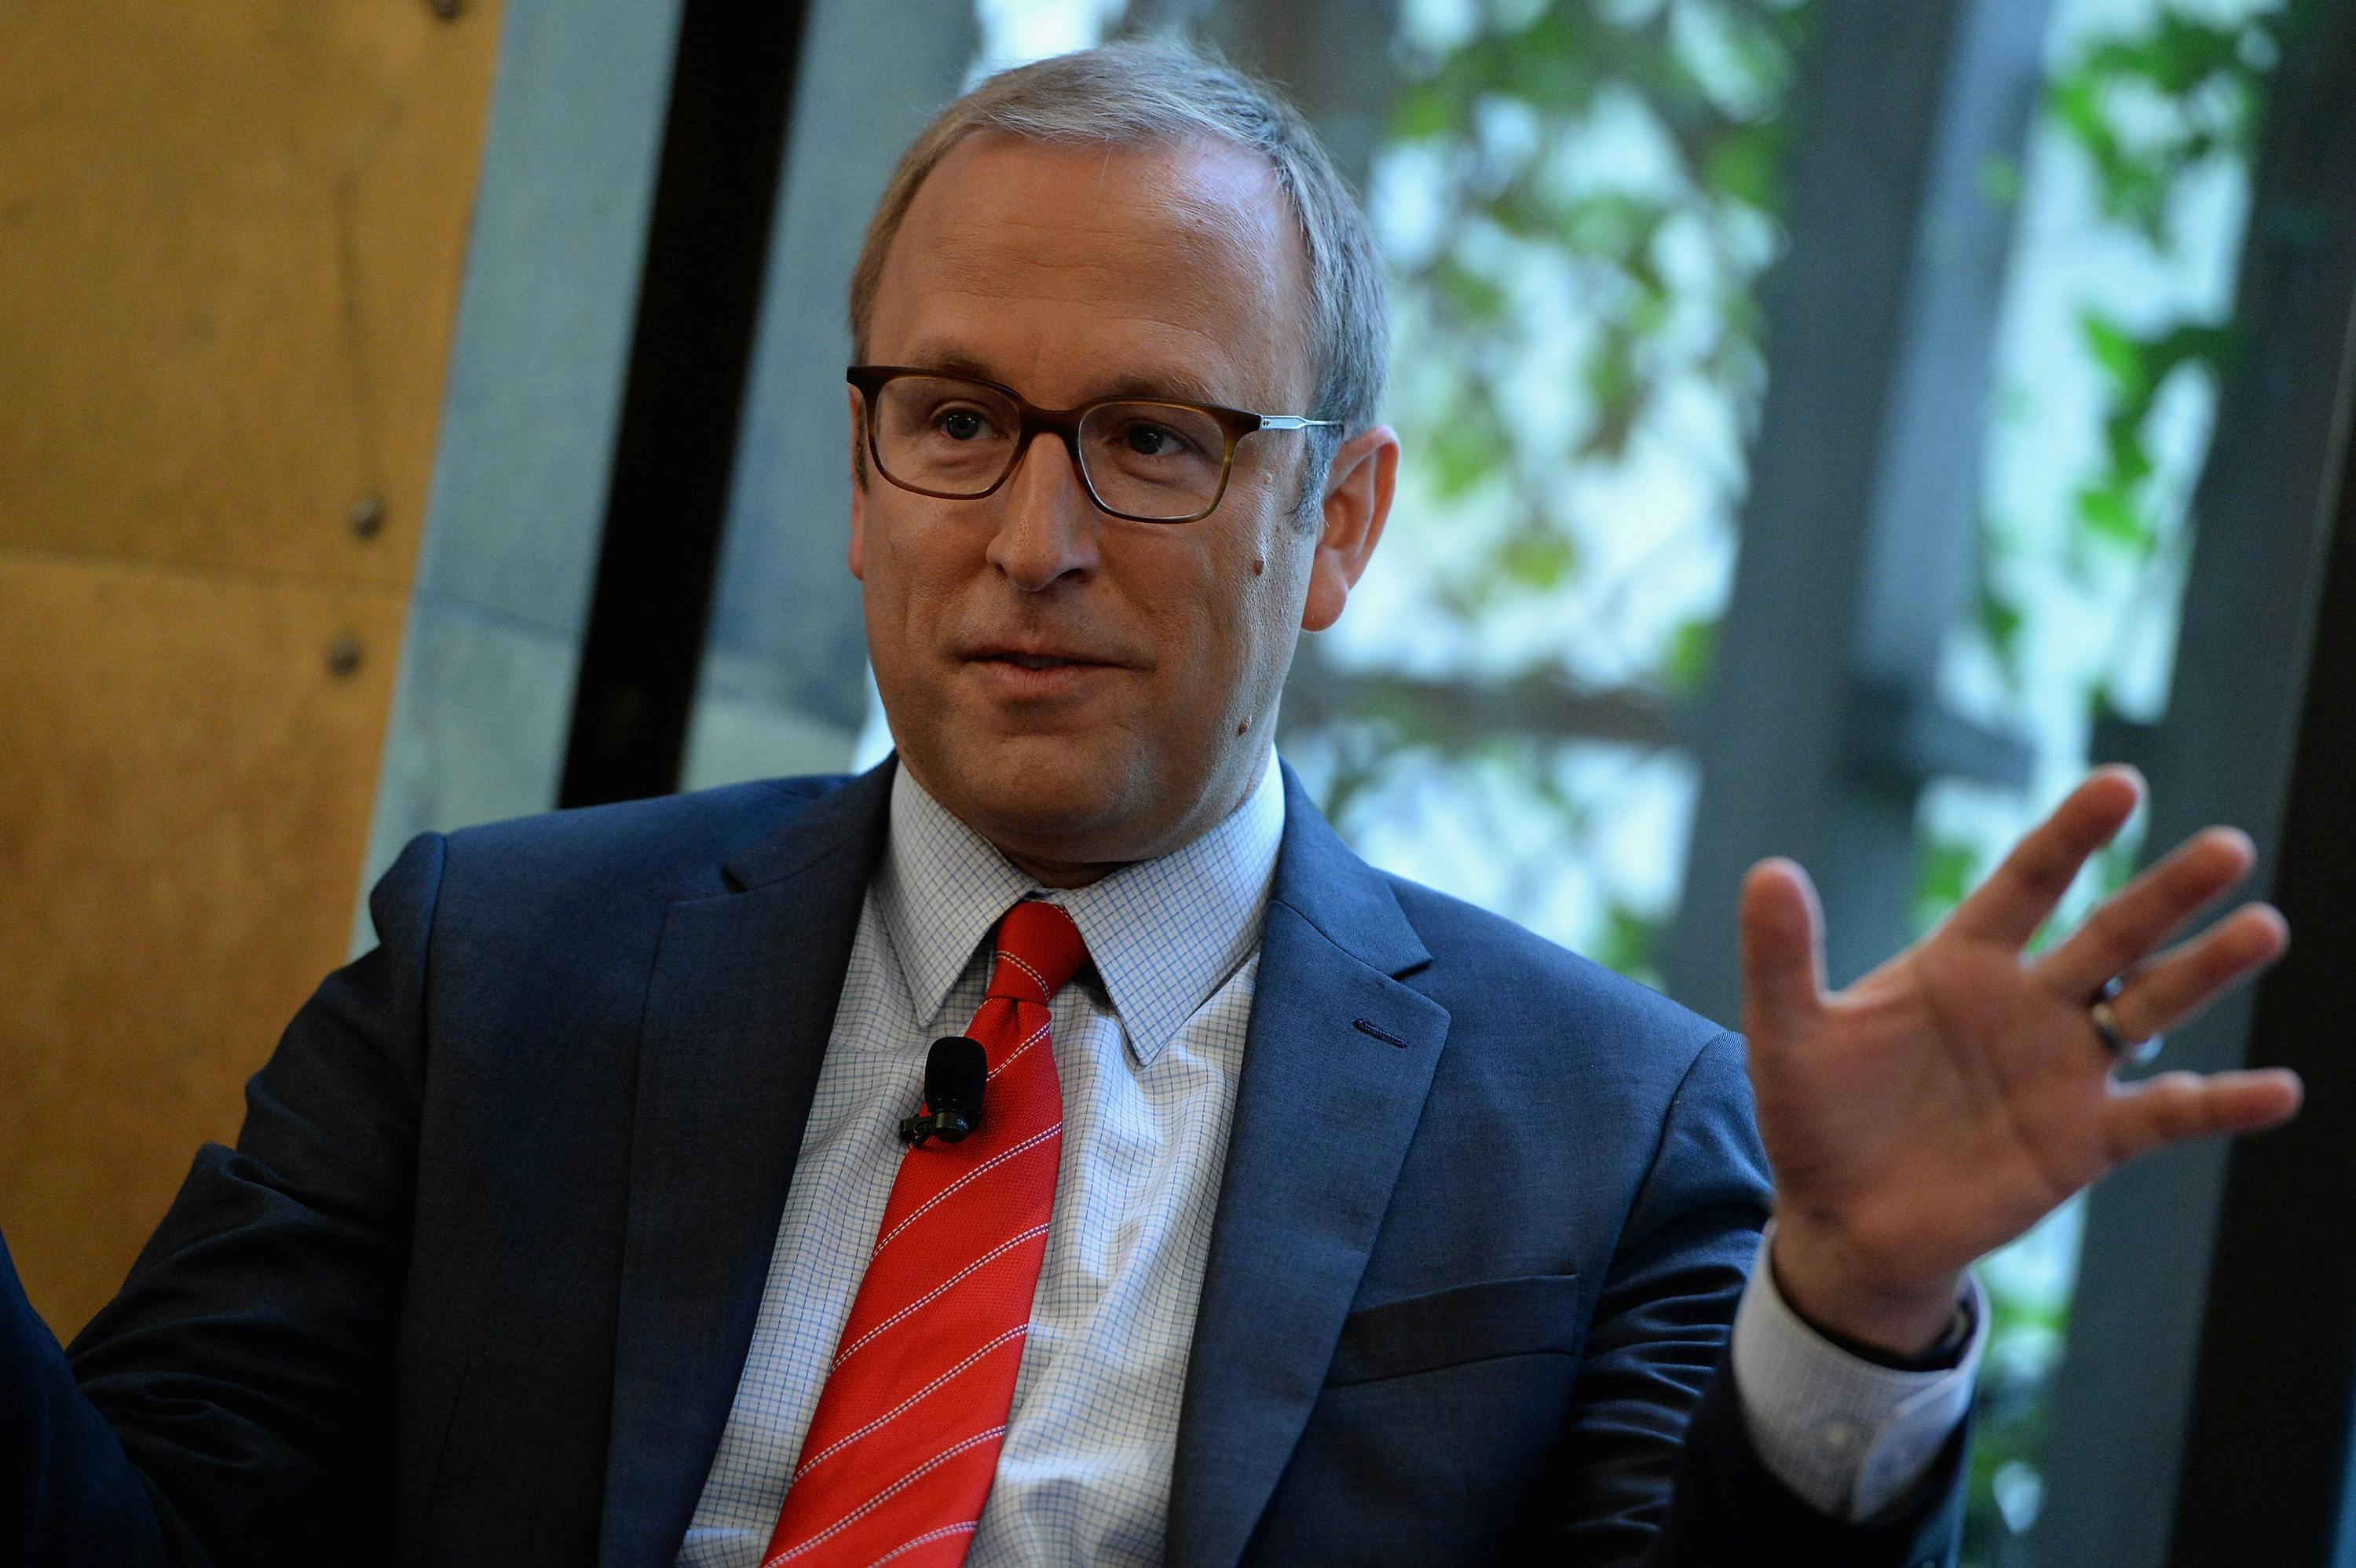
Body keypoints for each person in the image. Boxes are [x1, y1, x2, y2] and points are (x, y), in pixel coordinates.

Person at [1, 40, 2297, 1568]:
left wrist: (1860, 1308)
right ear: (861, 471)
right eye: (956, 423)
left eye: (1154, 439)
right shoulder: (498, 970)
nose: (1036, 542)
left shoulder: (1603, 1133)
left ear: (1342, 522)